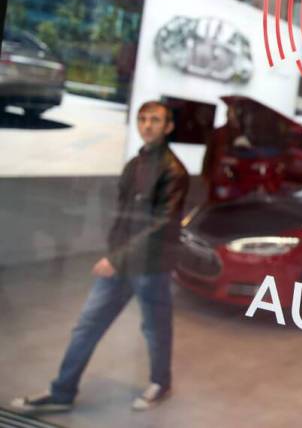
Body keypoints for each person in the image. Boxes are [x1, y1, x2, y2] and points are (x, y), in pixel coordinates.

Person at [12, 100, 189, 414]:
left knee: (155, 328)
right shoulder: (135, 164)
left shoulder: (174, 171)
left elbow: (162, 225)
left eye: (155, 120)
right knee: (87, 326)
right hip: (121, 262)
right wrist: (114, 253)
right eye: (143, 119)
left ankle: (161, 383)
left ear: (168, 127)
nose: (147, 125)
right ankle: (62, 391)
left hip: (150, 268)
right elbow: (124, 217)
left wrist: (117, 259)